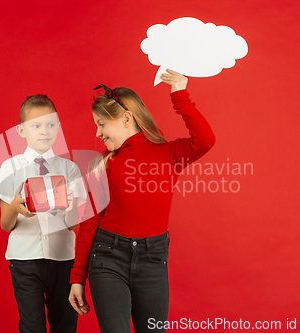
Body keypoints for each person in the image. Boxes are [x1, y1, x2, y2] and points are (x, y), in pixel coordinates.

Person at [68, 70, 216, 333]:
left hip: (152, 261)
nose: (97, 133)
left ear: (126, 118)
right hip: (108, 259)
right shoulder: (103, 164)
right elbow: (91, 220)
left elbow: (205, 140)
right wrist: (77, 277)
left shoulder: (169, 154)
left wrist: (179, 94)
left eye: (101, 124)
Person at [0, 94, 87, 333]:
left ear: (59, 127)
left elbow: (73, 225)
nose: (45, 131)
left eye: (51, 124)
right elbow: (5, 224)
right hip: (24, 259)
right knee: (32, 326)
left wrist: (71, 207)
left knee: (65, 324)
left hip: (63, 258)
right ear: (22, 131)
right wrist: (14, 206)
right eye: (36, 125)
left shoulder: (69, 168)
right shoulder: (10, 167)